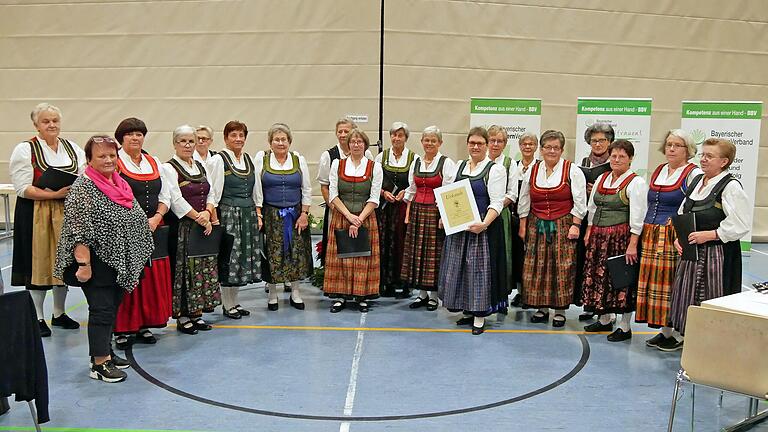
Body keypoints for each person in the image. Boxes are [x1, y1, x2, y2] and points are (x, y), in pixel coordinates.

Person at [54, 135, 153, 383]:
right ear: (89, 160)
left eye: (112, 155)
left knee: (110, 309)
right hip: (95, 262)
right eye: (102, 156)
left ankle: (104, 353)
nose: (108, 160)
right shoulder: (83, 188)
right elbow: (80, 231)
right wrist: (84, 265)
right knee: (101, 311)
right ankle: (99, 365)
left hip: (116, 260)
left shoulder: (118, 183)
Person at [10, 103, 86, 337]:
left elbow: (84, 176)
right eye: (46, 121)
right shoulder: (25, 149)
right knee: (39, 264)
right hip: (36, 213)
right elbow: (22, 188)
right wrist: (54, 194)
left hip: (67, 212)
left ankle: (59, 313)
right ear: (36, 125)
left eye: (55, 120)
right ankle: (37, 317)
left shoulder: (72, 148)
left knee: (64, 262)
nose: (52, 125)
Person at [666, 138, 750, 351]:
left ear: (724, 161)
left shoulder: (730, 186)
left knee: (711, 296)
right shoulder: (697, 182)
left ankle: (711, 346)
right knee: (686, 295)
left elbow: (741, 224)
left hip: (717, 256)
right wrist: (680, 237)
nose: (703, 159)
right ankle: (687, 338)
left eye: (709, 156)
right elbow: (683, 212)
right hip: (692, 254)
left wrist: (712, 234)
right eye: (703, 155)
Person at [635, 130, 701, 349]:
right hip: (651, 232)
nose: (671, 149)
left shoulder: (693, 173)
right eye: (669, 144)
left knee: (673, 282)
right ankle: (665, 331)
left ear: (688, 150)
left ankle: (679, 334)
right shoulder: (660, 170)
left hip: (673, 233)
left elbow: (692, 206)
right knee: (656, 283)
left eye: (678, 145)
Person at [438, 127, 507, 335]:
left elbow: (497, 202)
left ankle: (479, 317)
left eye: (480, 143)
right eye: (472, 143)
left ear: (487, 146)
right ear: (467, 144)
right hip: (459, 230)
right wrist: (444, 216)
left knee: (478, 273)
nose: (475, 147)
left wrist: (484, 224)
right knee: (460, 271)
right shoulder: (459, 166)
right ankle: (467, 310)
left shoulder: (495, 170)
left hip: (481, 231)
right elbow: (449, 195)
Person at [112, 118, 173, 349]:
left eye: (139, 133)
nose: (135, 137)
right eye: (130, 134)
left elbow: (165, 195)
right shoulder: (115, 162)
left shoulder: (153, 161)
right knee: (128, 277)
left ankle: (144, 323)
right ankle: (122, 327)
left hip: (154, 227)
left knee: (149, 278)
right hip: (124, 229)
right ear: (121, 138)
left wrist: (157, 217)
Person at [517, 130, 587, 327]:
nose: (552, 151)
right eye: (548, 147)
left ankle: (559, 310)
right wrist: (523, 224)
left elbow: (580, 200)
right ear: (541, 149)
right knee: (538, 265)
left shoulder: (571, 170)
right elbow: (524, 198)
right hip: (536, 222)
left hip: (563, 223)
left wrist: (576, 224)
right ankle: (541, 307)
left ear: (562, 149)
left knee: (561, 266)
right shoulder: (533, 169)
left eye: (556, 147)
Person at [582, 140, 648, 341]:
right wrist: (589, 231)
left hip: (621, 237)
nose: (617, 160)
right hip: (599, 237)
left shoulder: (636, 183)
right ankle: (604, 320)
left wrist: (633, 243)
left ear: (631, 159)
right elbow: (592, 208)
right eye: (614, 156)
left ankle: (624, 326)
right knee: (600, 278)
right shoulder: (602, 178)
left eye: (622, 156)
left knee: (621, 279)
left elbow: (638, 215)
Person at [163, 125, 221, 334]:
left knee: (202, 268)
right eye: (183, 141)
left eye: (191, 141)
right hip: (184, 228)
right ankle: (183, 316)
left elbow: (211, 191)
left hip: (202, 225)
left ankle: (197, 313)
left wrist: (208, 212)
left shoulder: (200, 166)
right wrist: (198, 217)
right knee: (185, 271)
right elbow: (174, 199)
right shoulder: (168, 168)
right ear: (175, 144)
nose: (187, 145)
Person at [254, 123, 313, 311]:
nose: (280, 143)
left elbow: (307, 188)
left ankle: (295, 292)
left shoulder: (298, 159)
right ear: (270, 142)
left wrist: (304, 213)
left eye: (284, 139)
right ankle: (272, 294)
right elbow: (256, 189)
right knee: (272, 253)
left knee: (295, 252)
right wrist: (258, 214)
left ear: (289, 141)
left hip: (295, 214)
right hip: (271, 214)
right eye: (276, 139)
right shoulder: (261, 159)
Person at [323, 129, 383, 313]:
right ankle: (341, 295)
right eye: (353, 141)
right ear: (348, 145)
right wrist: (349, 216)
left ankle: (362, 296)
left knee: (362, 257)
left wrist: (359, 219)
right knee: (343, 257)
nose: (356, 145)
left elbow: (374, 198)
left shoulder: (375, 167)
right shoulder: (337, 164)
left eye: (360, 141)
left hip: (365, 217)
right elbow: (333, 194)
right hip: (342, 216)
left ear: (365, 144)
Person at [208, 121, 262, 319]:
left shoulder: (248, 159)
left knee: (241, 258)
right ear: (225, 138)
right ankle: (227, 304)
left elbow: (257, 190)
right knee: (229, 258)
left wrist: (258, 212)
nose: (238, 139)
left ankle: (235, 302)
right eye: (234, 135)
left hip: (247, 214)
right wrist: (214, 218)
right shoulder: (218, 160)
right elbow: (213, 192)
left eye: (241, 135)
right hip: (229, 213)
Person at [402, 126, 456, 311]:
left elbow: (448, 191)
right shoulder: (416, 162)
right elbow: (411, 189)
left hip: (435, 212)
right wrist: (408, 213)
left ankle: (434, 296)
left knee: (433, 254)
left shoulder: (446, 163)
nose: (429, 143)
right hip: (417, 211)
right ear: (422, 141)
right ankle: (421, 294)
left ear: (440, 143)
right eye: (427, 140)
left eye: (433, 140)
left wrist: (444, 215)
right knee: (418, 252)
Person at [316, 118, 373, 265]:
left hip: (362, 212)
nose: (342, 134)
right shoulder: (328, 156)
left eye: (346, 131)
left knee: (360, 248)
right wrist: (336, 209)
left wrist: (358, 216)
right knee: (338, 248)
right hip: (337, 209)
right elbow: (325, 186)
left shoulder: (367, 156)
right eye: (339, 131)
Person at [577, 123, 615, 321]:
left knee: (604, 265)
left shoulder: (615, 162)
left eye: (602, 140)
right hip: (588, 217)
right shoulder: (584, 161)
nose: (598, 144)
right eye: (594, 140)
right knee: (588, 262)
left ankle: (608, 309)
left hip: (609, 219)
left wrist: (598, 190)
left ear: (609, 142)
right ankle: (590, 303)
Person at [375, 122, 418, 298]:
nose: (396, 138)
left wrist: (404, 193)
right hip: (385, 208)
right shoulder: (381, 157)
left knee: (403, 243)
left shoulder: (414, 158)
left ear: (406, 138)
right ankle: (386, 282)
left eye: (400, 135)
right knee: (384, 242)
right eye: (394, 135)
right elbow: (374, 181)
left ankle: (404, 283)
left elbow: (415, 183)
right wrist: (383, 193)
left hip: (403, 208)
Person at [487, 125, 520, 309]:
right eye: (492, 140)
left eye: (500, 141)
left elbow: (512, 194)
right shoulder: (478, 161)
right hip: (478, 216)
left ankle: (500, 298)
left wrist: (494, 206)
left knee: (501, 256)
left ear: (505, 144)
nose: (496, 144)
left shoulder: (509, 163)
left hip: (500, 217)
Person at [510, 132, 538, 307]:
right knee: (517, 256)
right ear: (519, 146)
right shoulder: (513, 167)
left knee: (531, 257)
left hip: (533, 218)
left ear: (536, 147)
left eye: (531, 144)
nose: (527, 147)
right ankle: (520, 293)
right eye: (524, 144)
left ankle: (530, 293)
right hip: (513, 218)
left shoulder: (540, 167)